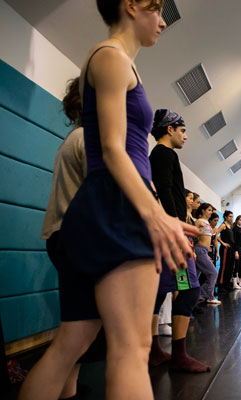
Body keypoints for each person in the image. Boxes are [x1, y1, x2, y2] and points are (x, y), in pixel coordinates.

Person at [19, 2, 198, 398]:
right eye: (157, 9)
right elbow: (115, 151)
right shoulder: (110, 57)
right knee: (131, 350)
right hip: (118, 208)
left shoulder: (113, 61)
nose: (163, 21)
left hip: (104, 207)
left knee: (72, 342)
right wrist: (155, 214)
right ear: (131, 5)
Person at [38, 77, 106, 400]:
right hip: (74, 238)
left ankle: (69, 392)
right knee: (76, 334)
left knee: (82, 330)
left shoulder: (76, 138)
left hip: (67, 237)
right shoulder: (86, 140)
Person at [148, 109, 209, 373]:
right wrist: (178, 231)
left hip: (166, 231)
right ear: (169, 129)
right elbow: (163, 190)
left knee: (162, 290)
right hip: (172, 234)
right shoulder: (164, 154)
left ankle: (152, 349)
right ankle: (179, 355)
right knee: (188, 288)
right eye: (182, 130)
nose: (185, 136)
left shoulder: (158, 155)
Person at [194, 203, 221, 305]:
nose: (210, 212)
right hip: (200, 250)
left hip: (204, 250)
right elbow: (193, 235)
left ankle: (195, 297)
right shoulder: (199, 221)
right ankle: (208, 296)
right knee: (213, 273)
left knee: (195, 276)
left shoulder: (206, 222)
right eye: (209, 210)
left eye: (211, 210)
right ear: (203, 210)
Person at [215, 211, 237, 292]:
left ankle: (227, 284)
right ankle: (221, 285)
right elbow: (215, 234)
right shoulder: (223, 225)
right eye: (230, 216)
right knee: (224, 267)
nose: (231, 218)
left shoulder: (230, 226)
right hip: (225, 249)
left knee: (230, 267)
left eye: (232, 216)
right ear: (226, 217)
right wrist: (223, 243)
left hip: (231, 249)